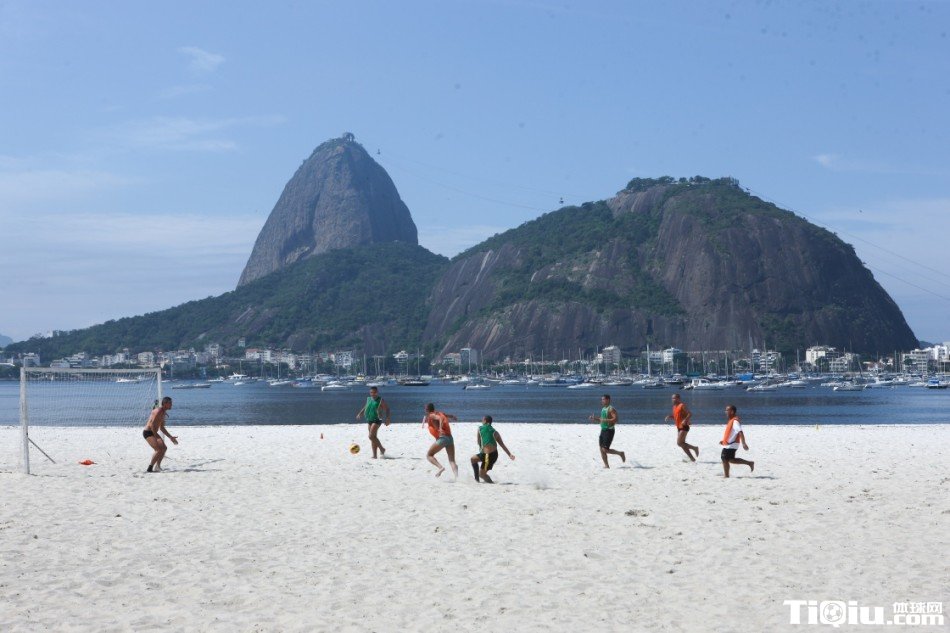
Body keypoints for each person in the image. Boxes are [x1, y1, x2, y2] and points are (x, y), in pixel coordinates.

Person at [470, 415, 515, 483]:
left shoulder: (480, 428)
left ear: (485, 421)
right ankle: (477, 481)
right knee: (473, 459)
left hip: (488, 456)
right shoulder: (495, 432)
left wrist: (482, 447)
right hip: (493, 454)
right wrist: (510, 454)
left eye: (482, 420)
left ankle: (491, 483)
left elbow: (478, 442)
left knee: (482, 474)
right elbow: (502, 444)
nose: (482, 421)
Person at [588, 394, 625, 468]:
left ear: (608, 400)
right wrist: (594, 418)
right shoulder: (603, 409)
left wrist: (605, 420)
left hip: (609, 431)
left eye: (603, 399)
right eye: (601, 399)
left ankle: (620, 453)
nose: (602, 401)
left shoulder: (611, 409)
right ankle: (606, 465)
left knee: (605, 450)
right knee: (601, 449)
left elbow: (616, 419)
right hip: (603, 430)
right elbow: (601, 420)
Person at [143, 396, 177, 473]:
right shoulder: (158, 411)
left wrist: (170, 437)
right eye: (170, 403)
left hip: (154, 432)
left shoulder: (163, 413)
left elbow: (161, 428)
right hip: (148, 432)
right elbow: (151, 425)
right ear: (165, 404)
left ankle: (157, 467)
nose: (171, 405)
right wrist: (156, 437)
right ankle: (150, 468)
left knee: (164, 448)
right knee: (158, 450)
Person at [424, 403, 458, 478]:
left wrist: (440, 428)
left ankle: (440, 467)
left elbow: (440, 418)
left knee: (429, 455)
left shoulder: (431, 415)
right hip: (450, 438)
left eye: (425, 408)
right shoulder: (440, 413)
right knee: (452, 460)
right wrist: (452, 416)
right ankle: (457, 477)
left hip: (443, 438)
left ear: (427, 409)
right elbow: (445, 416)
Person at [356, 386, 391, 458]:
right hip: (369, 419)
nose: (373, 394)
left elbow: (387, 409)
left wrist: (387, 418)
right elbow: (366, 406)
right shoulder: (369, 399)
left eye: (374, 392)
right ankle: (374, 455)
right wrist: (360, 413)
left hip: (377, 419)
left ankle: (382, 449)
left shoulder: (380, 400)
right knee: (373, 438)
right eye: (371, 392)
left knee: (371, 436)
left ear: (377, 392)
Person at [720, 404, 754, 478]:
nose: (725, 412)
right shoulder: (731, 420)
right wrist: (723, 441)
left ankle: (726, 476)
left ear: (732, 411)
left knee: (724, 458)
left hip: (732, 444)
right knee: (730, 459)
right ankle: (749, 463)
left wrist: (744, 443)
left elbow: (740, 432)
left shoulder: (735, 421)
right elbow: (731, 433)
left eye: (727, 410)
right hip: (730, 444)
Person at [665, 393, 699, 462]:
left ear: (678, 399)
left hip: (684, 426)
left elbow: (690, 414)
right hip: (679, 427)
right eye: (672, 398)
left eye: (674, 398)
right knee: (682, 444)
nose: (673, 400)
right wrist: (670, 416)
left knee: (679, 443)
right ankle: (692, 458)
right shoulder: (674, 407)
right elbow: (676, 417)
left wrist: (685, 420)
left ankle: (695, 448)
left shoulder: (682, 405)